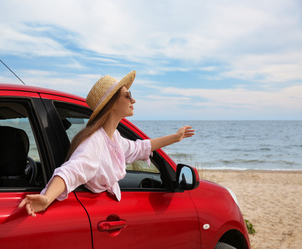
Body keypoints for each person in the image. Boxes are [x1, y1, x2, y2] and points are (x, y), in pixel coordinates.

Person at [19, 70, 194, 217]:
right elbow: (72, 170)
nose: (133, 100)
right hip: (96, 215)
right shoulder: (94, 141)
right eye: (128, 95)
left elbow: (139, 147)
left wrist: (176, 137)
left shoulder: (114, 137)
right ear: (111, 104)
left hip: (104, 211)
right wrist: (47, 198)